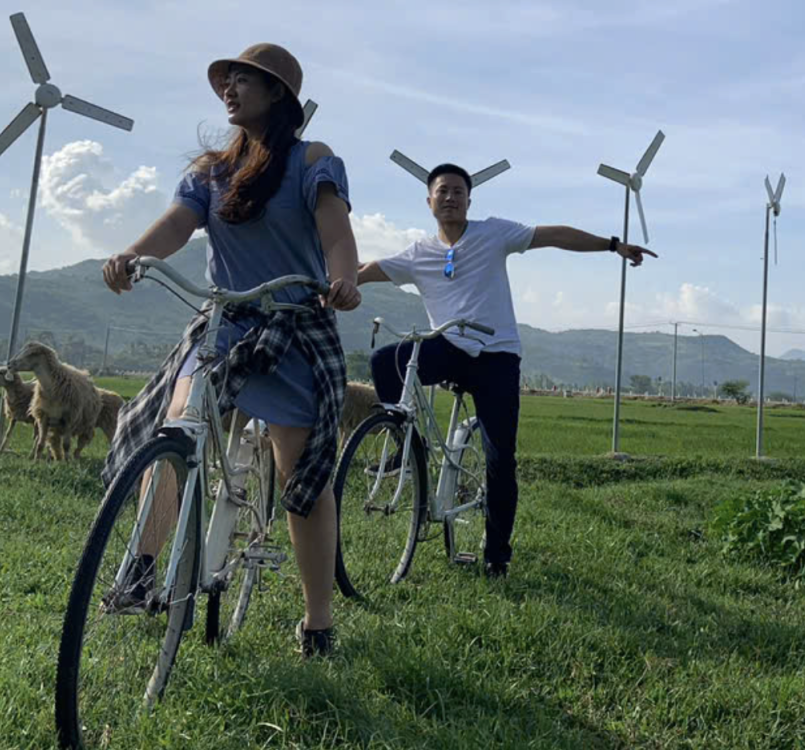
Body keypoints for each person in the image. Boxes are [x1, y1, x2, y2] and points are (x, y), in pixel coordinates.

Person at [101, 43, 360, 656]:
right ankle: (142, 568)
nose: (231, 88)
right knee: (177, 428)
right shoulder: (211, 171)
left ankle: (317, 621)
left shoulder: (312, 160)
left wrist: (344, 277)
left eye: (246, 79)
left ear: (277, 95)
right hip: (223, 324)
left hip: (292, 327)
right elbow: (177, 222)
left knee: (301, 472)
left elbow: (336, 233)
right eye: (228, 79)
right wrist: (134, 255)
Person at [356, 163, 656, 578]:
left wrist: (613, 245)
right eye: (442, 191)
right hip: (449, 347)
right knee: (384, 360)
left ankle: (497, 555)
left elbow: (554, 235)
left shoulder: (493, 233)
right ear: (429, 201)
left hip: (496, 356)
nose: (450, 197)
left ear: (470, 200)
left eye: (458, 191)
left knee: (500, 459)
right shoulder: (418, 253)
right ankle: (408, 447)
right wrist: (334, 284)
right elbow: (365, 271)